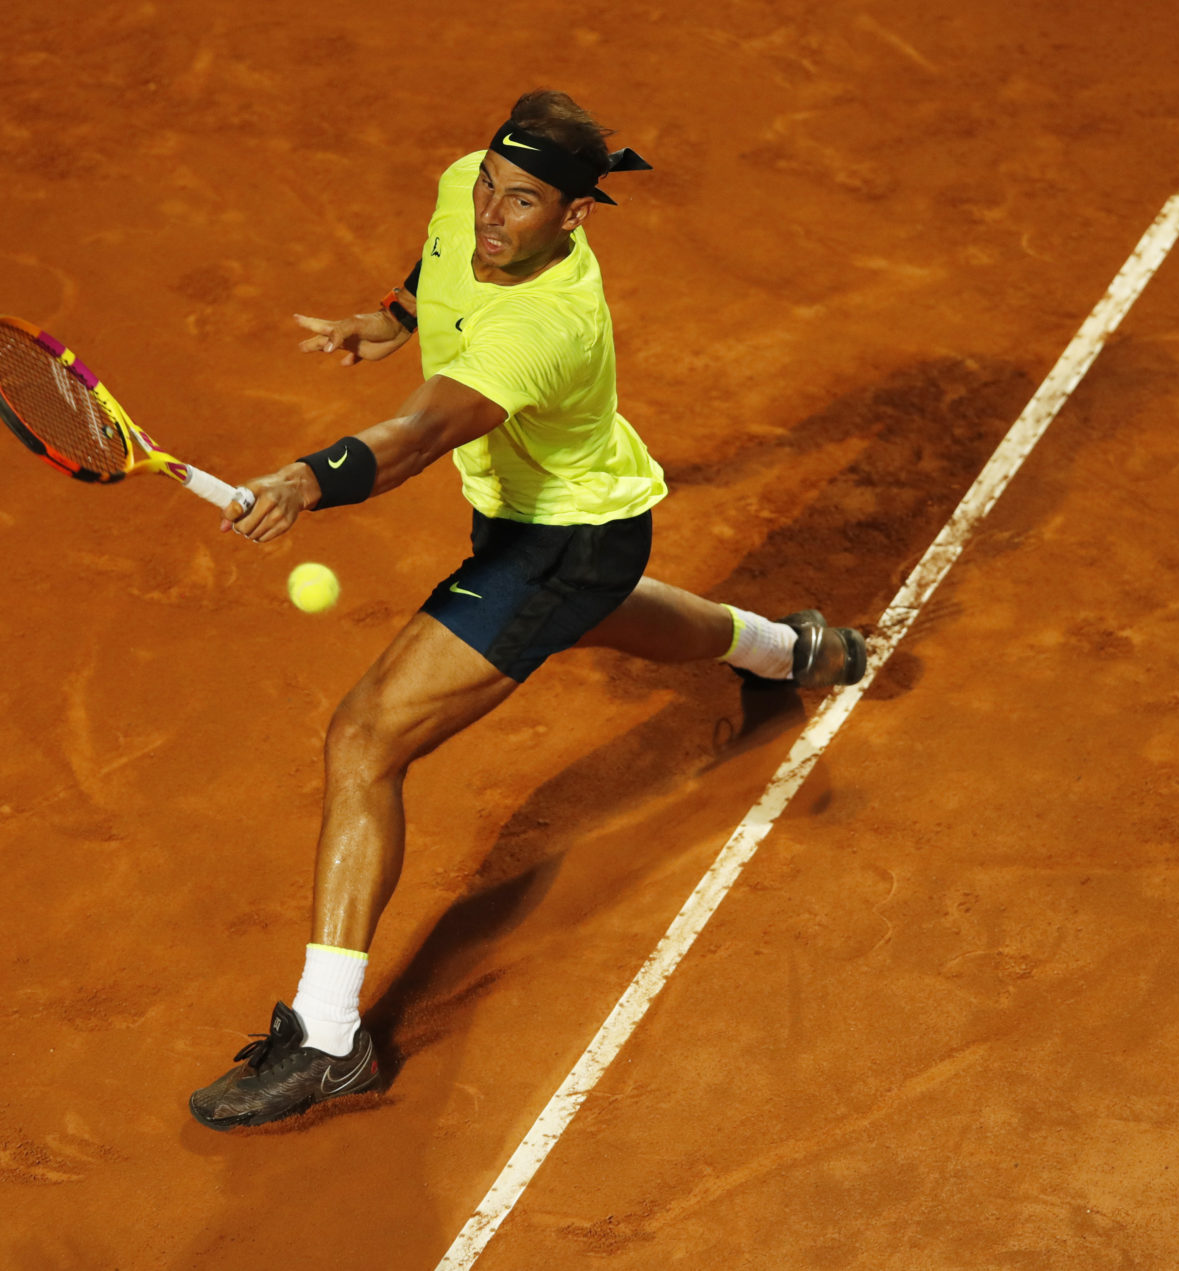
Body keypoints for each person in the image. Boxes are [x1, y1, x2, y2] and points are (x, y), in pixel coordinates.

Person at [188, 90, 865, 1131]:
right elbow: (440, 257)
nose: (492, 221)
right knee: (597, 612)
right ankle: (787, 649)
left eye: (524, 205)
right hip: (557, 528)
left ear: (576, 216)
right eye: (492, 192)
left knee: (365, 738)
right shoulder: (469, 186)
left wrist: (305, 478)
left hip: (561, 539)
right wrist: (398, 315)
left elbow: (419, 433)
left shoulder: (548, 324)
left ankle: (329, 1040)